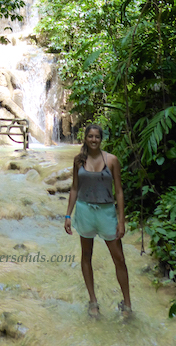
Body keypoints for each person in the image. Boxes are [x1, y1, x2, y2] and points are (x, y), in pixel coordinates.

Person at [64, 124, 132, 318]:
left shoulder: (112, 160)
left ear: (101, 139)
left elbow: (118, 191)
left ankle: (127, 304)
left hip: (106, 212)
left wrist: (121, 220)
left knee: (119, 258)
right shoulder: (79, 161)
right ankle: (93, 301)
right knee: (86, 256)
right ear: (85, 138)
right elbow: (74, 188)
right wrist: (68, 215)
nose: (93, 140)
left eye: (97, 137)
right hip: (85, 211)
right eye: (90, 136)